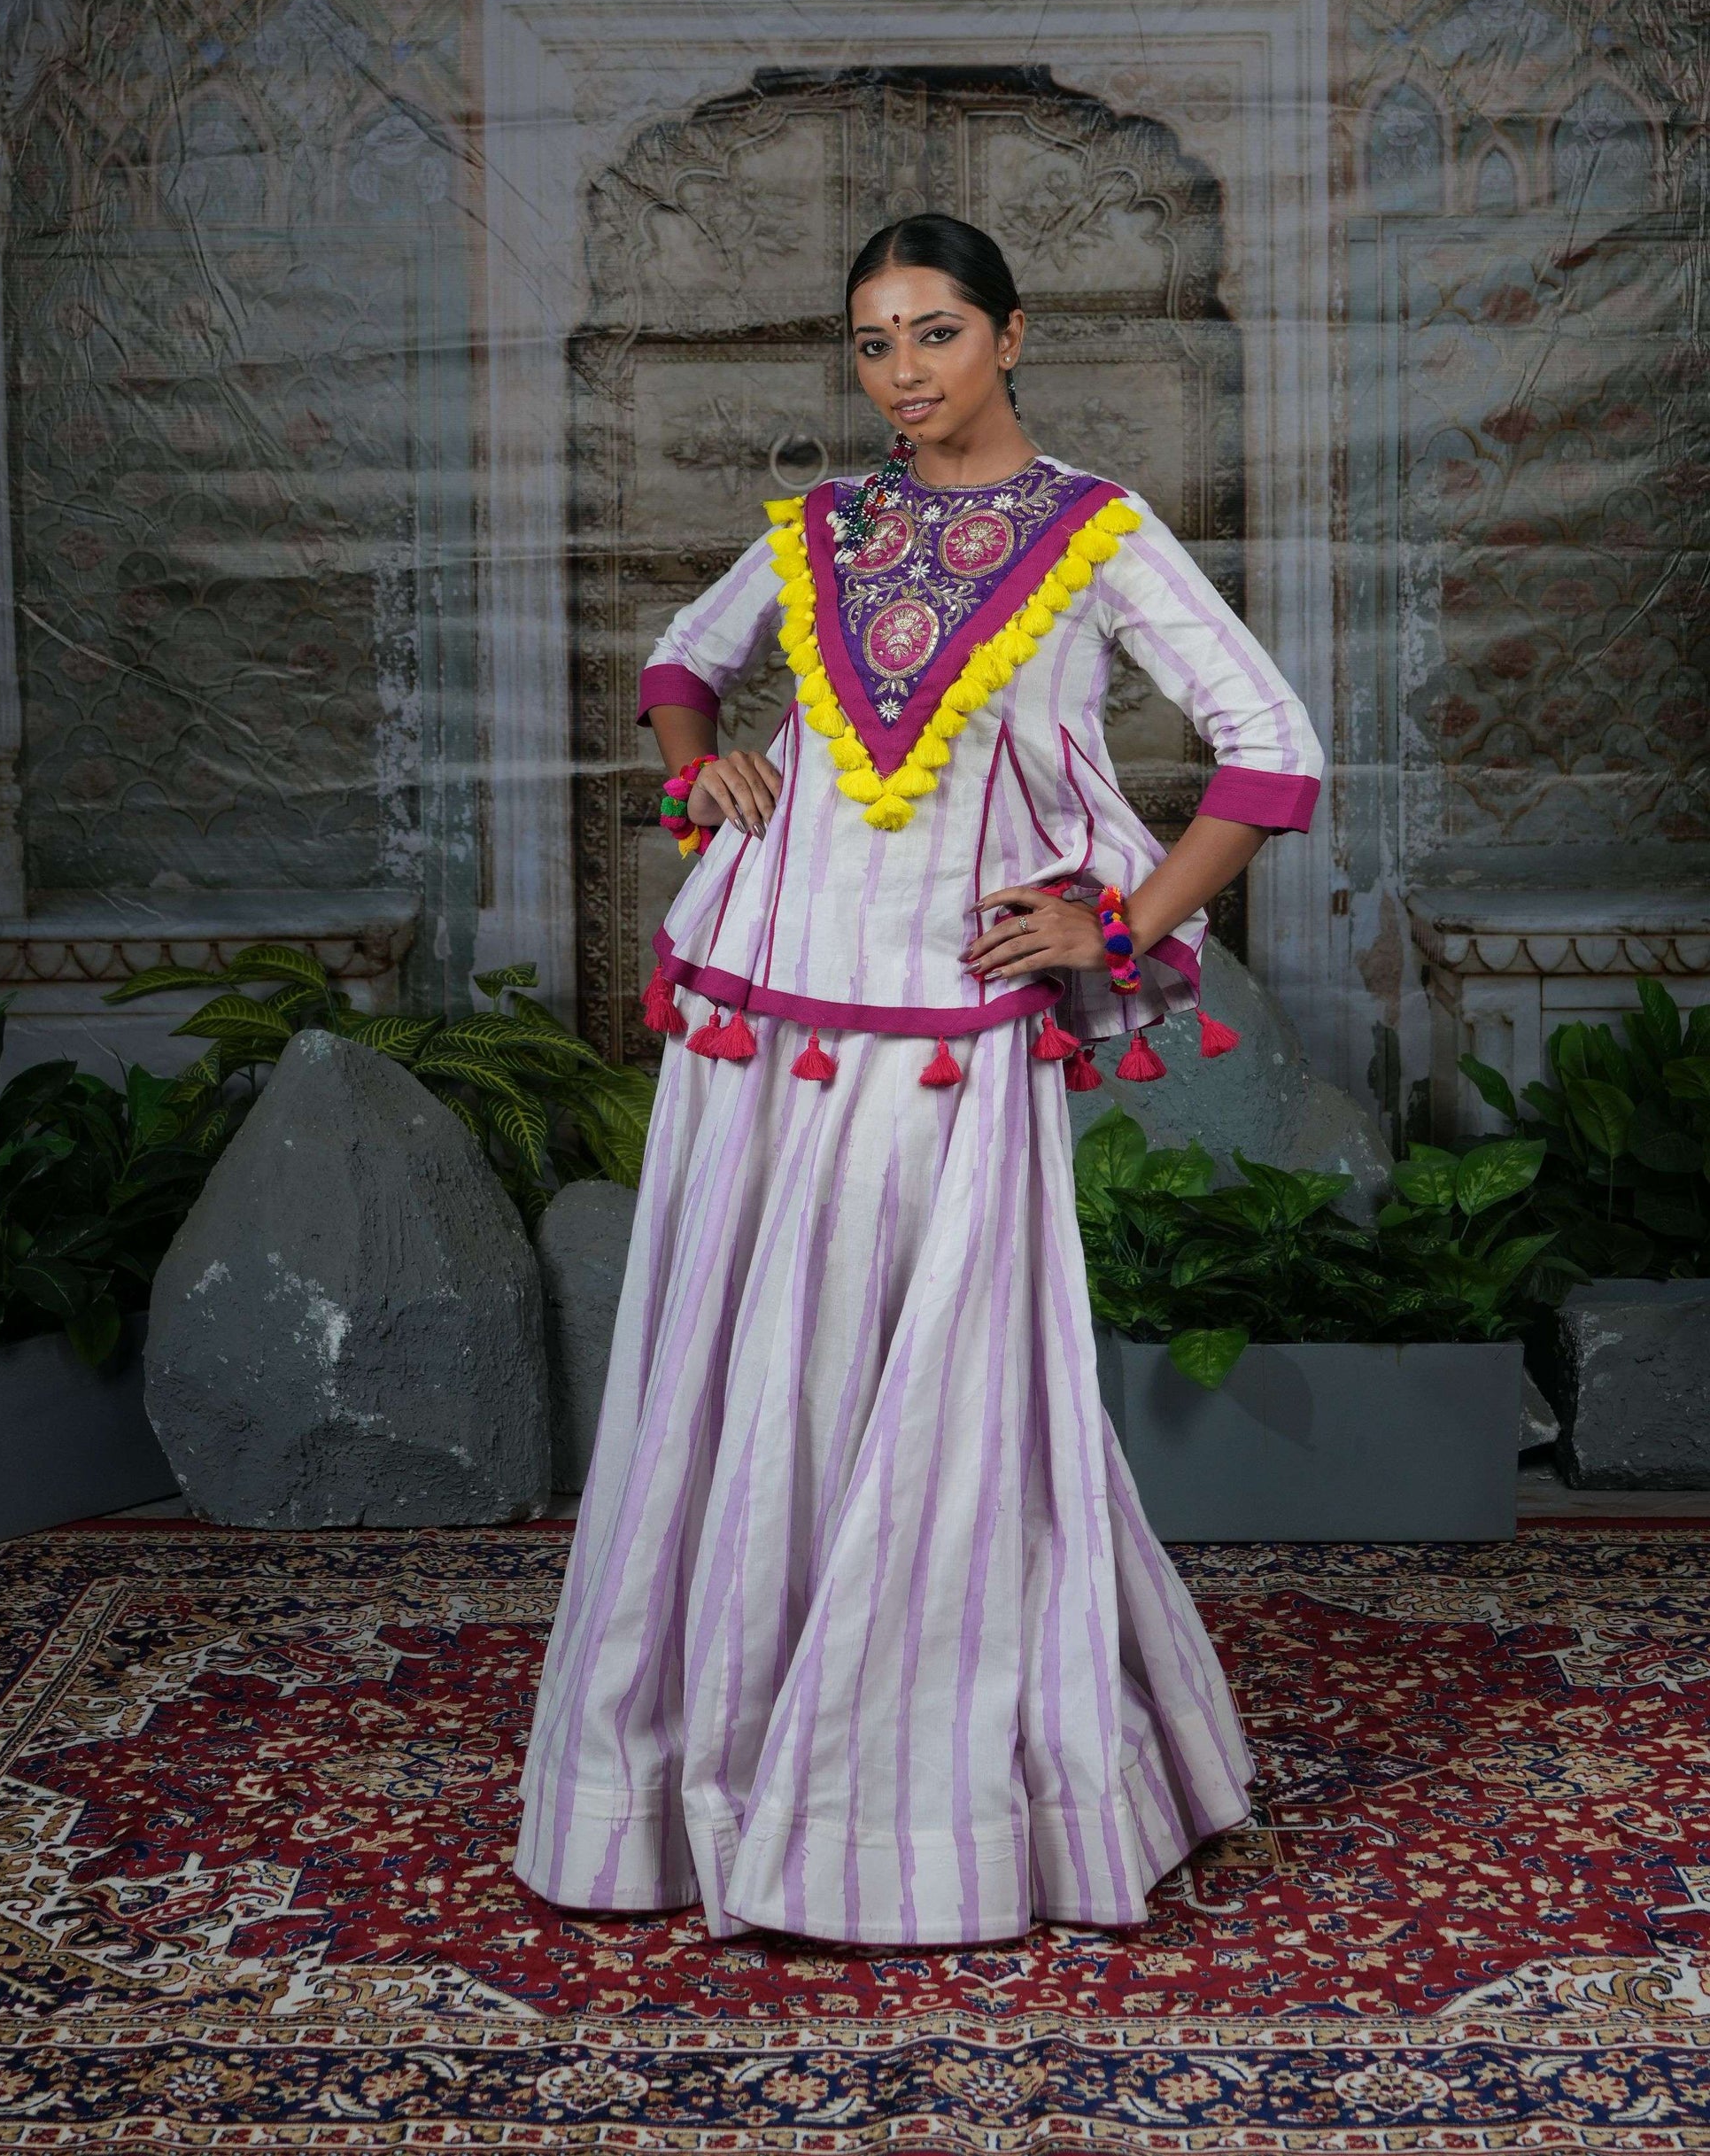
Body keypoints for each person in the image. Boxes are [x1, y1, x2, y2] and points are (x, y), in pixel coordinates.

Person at [515, 213, 1324, 1948]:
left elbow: (1272, 749)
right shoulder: (821, 527)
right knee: (753, 1365)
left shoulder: (1098, 531)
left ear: (1012, 336)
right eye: (874, 342)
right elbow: (678, 660)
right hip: (765, 1005)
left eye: (936, 333)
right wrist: (698, 770)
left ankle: (918, 1812)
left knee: (943, 1391)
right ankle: (701, 1773)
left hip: (950, 1026)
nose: (902, 373)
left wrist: (1113, 927)